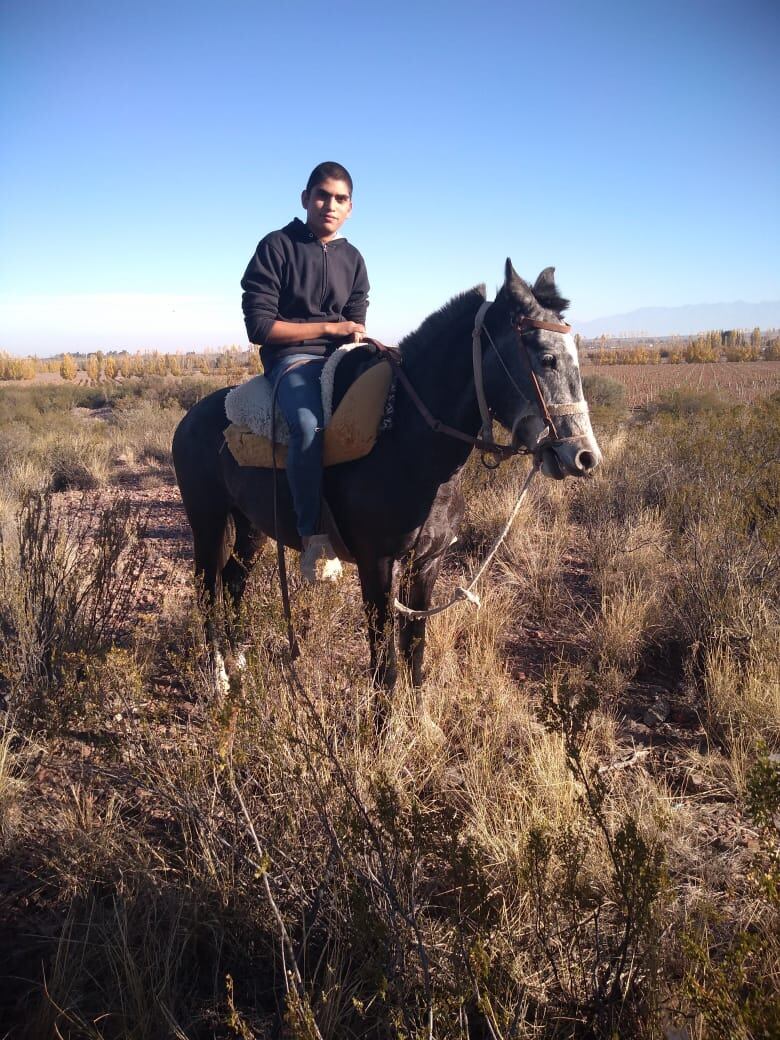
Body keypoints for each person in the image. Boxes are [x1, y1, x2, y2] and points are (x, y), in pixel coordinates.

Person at [241, 162, 369, 582]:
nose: (330, 205)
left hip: (340, 358)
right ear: (305, 198)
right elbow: (260, 328)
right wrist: (330, 328)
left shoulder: (354, 259)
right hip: (291, 359)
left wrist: (358, 341)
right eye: (322, 195)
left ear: (350, 207)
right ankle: (313, 536)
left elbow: (355, 322)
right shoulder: (277, 246)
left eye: (340, 199)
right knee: (308, 424)